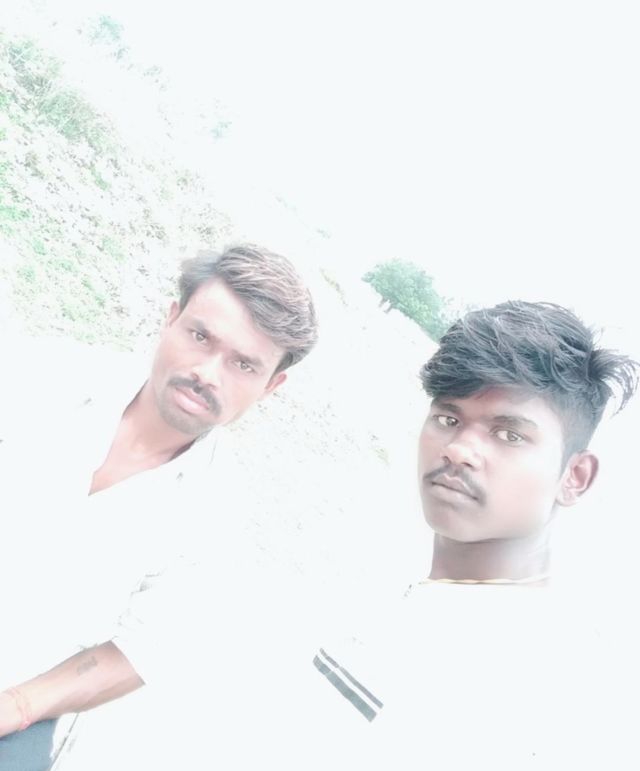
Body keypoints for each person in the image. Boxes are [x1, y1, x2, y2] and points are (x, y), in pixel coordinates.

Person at [0, 243, 318, 770]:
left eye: (243, 364)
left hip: (22, 697)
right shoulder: (42, 377)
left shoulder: (219, 518)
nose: (208, 373)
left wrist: (16, 707)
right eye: (200, 337)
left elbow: (138, 650)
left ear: (271, 386)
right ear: (171, 318)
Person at [310, 301, 639, 769]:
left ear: (574, 477)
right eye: (449, 419)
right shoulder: (380, 583)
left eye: (509, 435)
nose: (459, 449)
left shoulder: (554, 692)